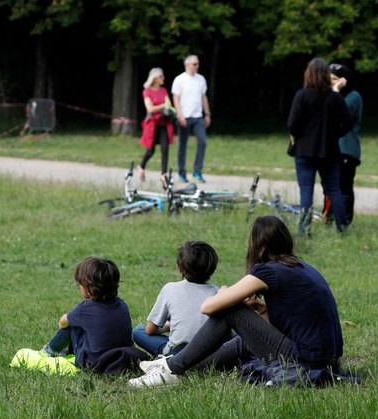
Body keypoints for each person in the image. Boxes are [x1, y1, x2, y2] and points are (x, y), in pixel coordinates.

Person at [128, 215, 345, 387]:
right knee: (243, 339)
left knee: (230, 311)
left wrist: (224, 292)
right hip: (324, 359)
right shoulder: (301, 267)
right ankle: (175, 368)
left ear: (257, 245)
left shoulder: (267, 271)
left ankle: (170, 368)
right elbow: (292, 321)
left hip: (301, 361)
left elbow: (208, 307)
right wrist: (260, 309)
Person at [287, 58, 353, 235]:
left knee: (306, 191)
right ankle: (342, 227)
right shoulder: (335, 98)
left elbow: (292, 124)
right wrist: (334, 135)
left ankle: (304, 230)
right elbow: (348, 123)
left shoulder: (302, 96)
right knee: (334, 189)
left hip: (304, 151)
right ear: (326, 75)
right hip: (329, 151)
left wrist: (299, 136)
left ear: (308, 74)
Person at [39, 257, 134, 369]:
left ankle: (49, 351)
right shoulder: (122, 305)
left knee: (71, 324)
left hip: (92, 363)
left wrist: (61, 324)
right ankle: (64, 351)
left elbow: (63, 321)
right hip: (122, 358)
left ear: (88, 288)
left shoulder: (85, 308)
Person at [132, 241, 219, 358]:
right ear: (212, 268)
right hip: (212, 353)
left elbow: (150, 330)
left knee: (138, 331)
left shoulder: (170, 289)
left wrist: (168, 326)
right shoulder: (218, 293)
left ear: (180, 269)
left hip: (176, 353)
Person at [329, 63, 363, 225]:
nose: (331, 83)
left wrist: (335, 91)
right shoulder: (330, 95)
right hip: (330, 148)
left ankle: (344, 222)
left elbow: (340, 111)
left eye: (335, 79)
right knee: (329, 187)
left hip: (346, 150)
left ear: (344, 81)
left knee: (344, 188)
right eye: (328, 79)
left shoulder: (353, 96)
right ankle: (327, 218)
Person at [172, 55, 210, 183]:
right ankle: (182, 172)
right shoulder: (179, 79)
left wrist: (207, 113)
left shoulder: (201, 79)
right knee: (182, 144)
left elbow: (204, 97)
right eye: (194, 64)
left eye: (197, 64)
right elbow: (176, 99)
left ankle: (197, 171)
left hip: (198, 116)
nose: (197, 66)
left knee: (202, 142)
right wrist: (180, 115)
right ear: (187, 65)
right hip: (184, 117)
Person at [138, 67, 174, 181]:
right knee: (150, 150)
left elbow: (169, 105)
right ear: (155, 78)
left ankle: (164, 174)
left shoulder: (163, 90)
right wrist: (163, 106)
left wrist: (163, 107)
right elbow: (150, 109)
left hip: (163, 123)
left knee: (165, 148)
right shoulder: (147, 91)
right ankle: (141, 166)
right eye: (161, 76)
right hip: (152, 125)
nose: (163, 78)